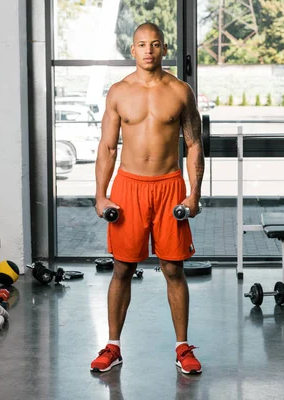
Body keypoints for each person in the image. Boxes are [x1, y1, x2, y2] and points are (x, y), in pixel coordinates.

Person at [91, 22, 205, 375]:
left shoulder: (181, 91)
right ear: (133, 50)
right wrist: (100, 194)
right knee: (123, 268)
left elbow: (194, 144)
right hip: (129, 188)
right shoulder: (119, 92)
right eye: (142, 44)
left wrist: (194, 192)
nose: (149, 50)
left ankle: (182, 347)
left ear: (164, 48)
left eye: (155, 44)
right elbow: (108, 147)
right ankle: (113, 346)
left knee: (173, 267)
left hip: (169, 184)